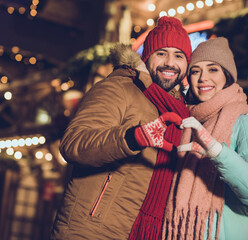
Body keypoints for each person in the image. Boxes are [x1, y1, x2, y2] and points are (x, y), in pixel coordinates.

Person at [50, 16, 191, 240]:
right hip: (92, 230)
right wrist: (131, 138)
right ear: (148, 56)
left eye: (179, 55)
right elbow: (73, 143)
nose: (170, 63)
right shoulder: (120, 87)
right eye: (161, 53)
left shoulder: (182, 113)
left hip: (141, 233)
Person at [162, 37, 248, 240]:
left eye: (213, 69)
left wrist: (217, 151)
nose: (203, 78)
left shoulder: (244, 121)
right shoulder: (187, 121)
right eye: (195, 71)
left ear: (227, 75)